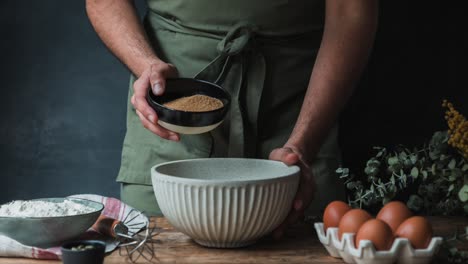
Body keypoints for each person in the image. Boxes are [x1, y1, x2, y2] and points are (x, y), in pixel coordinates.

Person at [86, 0, 378, 238]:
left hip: (301, 108)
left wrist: (303, 143)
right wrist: (146, 64)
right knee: (159, 246)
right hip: (173, 111)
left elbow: (351, 10)